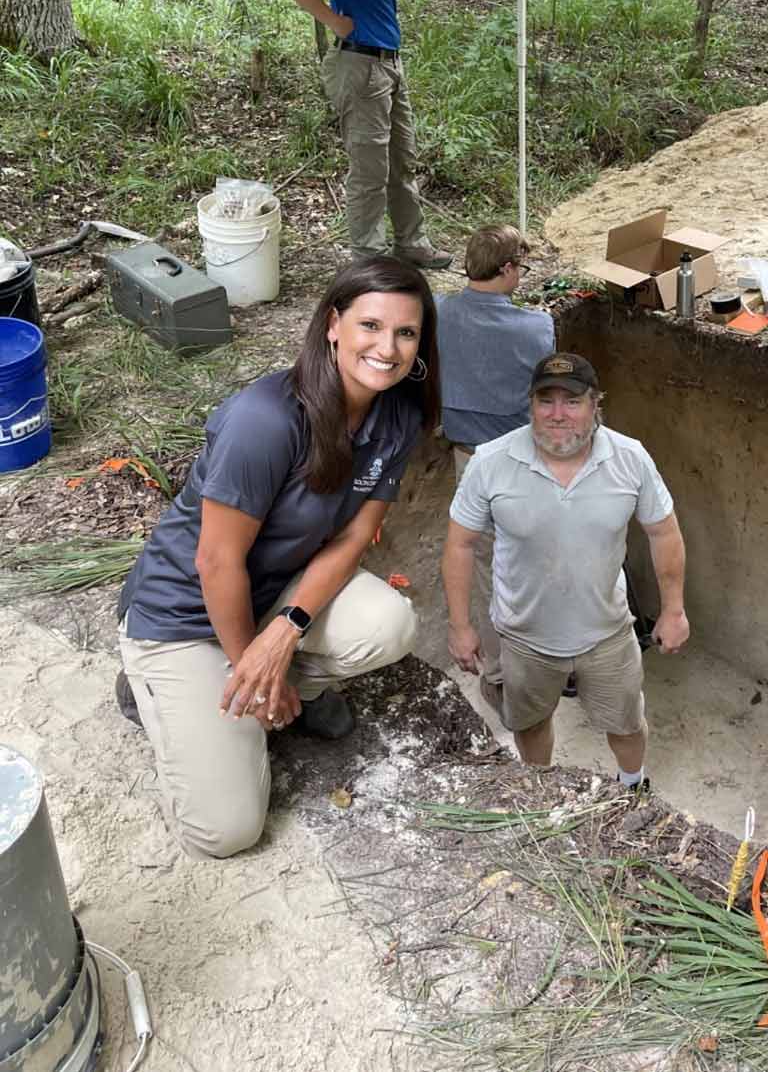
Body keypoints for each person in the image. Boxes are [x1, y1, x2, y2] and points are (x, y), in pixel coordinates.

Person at [115, 256, 440, 860]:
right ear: (333, 325)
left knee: (388, 624)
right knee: (226, 832)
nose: (388, 348)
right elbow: (215, 562)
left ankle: (291, 688)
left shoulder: (399, 416)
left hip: (273, 592)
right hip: (183, 614)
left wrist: (285, 633)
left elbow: (350, 541)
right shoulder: (264, 420)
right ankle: (156, 685)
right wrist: (251, 663)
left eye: (406, 332)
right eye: (371, 325)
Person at [442, 352, 689, 788]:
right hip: (524, 637)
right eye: (546, 400)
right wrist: (460, 625)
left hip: (608, 632)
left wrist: (673, 610)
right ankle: (542, 791)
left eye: (572, 401)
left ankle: (633, 785)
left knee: (626, 724)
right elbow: (460, 544)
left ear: (596, 405)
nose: (558, 414)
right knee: (530, 724)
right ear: (531, 405)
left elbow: (663, 533)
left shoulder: (630, 458)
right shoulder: (490, 462)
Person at [277, 0, 451, 270]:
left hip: (388, 64)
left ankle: (411, 243)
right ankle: (369, 260)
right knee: (370, 169)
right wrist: (335, 22)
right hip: (361, 67)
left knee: (401, 160)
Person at [436, 223, 555, 686]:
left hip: (469, 464)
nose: (521, 276)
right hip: (525, 464)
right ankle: (551, 663)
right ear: (506, 269)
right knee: (541, 564)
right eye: (520, 268)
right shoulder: (536, 327)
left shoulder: (439, 313)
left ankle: (503, 675)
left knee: (488, 572)